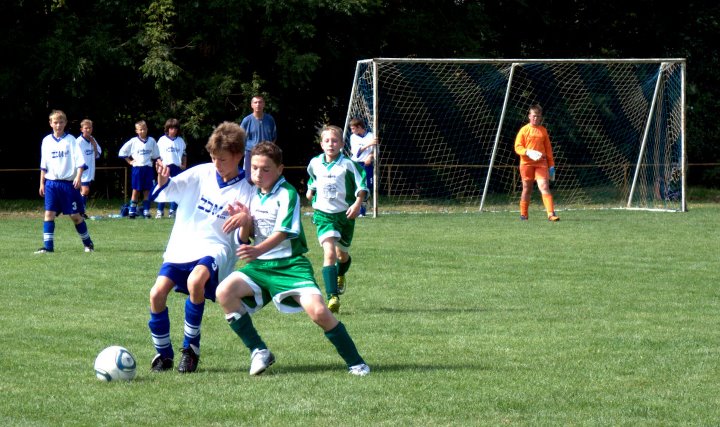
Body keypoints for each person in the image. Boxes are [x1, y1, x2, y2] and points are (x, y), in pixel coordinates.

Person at [215, 141, 370, 376]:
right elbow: (245, 240)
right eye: (254, 168)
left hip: (291, 266)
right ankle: (258, 350)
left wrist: (257, 250)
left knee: (319, 313)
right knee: (224, 292)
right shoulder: (252, 194)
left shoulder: (287, 193)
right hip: (260, 267)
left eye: (266, 169)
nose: (258, 174)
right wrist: (244, 221)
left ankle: (357, 362)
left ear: (279, 169)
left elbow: (284, 232)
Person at [146, 121, 255, 374]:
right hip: (183, 244)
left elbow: (242, 240)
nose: (217, 164)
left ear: (238, 156)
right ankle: (163, 354)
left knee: (197, 282)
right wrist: (163, 180)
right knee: (156, 294)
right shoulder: (201, 173)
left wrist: (245, 221)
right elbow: (169, 190)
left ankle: (190, 349)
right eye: (214, 158)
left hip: (215, 247)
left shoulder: (246, 189)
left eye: (223, 159)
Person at [306, 125, 368, 314]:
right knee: (330, 254)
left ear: (341, 144)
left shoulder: (348, 165)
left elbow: (362, 184)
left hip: (345, 216)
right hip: (324, 215)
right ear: (321, 144)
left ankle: (340, 273)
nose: (330, 144)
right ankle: (332, 297)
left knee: (342, 256)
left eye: (334, 141)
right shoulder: (314, 163)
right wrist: (311, 191)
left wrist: (357, 204)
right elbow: (313, 179)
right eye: (327, 141)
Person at [36, 110, 95, 254]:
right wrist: (41, 183)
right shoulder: (46, 141)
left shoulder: (71, 140)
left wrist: (78, 177)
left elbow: (80, 161)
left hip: (68, 184)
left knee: (75, 217)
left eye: (61, 122)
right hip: (51, 184)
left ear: (65, 123)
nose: (58, 125)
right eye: (55, 122)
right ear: (50, 123)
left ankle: (88, 244)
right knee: (48, 214)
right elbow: (44, 165)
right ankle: (48, 247)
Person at [514, 104, 559, 221]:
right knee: (527, 189)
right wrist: (527, 152)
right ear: (529, 116)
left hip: (541, 163)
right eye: (534, 116)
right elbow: (517, 147)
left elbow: (548, 149)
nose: (536, 118)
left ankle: (551, 214)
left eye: (538, 116)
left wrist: (551, 165)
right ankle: (524, 215)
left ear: (541, 117)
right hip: (526, 164)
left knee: (544, 186)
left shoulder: (543, 131)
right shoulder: (524, 130)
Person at [118, 120, 160, 218]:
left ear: (147, 129)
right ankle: (132, 211)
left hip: (148, 168)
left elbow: (156, 155)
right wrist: (129, 161)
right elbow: (122, 152)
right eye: (140, 130)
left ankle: (146, 211)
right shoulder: (133, 141)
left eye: (144, 129)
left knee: (147, 190)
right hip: (137, 169)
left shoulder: (152, 141)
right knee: (136, 190)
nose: (142, 131)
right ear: (136, 131)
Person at [155, 118, 187, 219]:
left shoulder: (181, 141)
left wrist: (184, 164)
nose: (173, 130)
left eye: (175, 128)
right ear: (167, 129)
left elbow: (184, 154)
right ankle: (160, 211)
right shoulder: (162, 140)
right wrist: (161, 165)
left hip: (176, 167)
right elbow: (156, 155)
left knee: (177, 189)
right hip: (166, 167)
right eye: (171, 128)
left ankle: (172, 211)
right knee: (163, 189)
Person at [239, 95, 277, 181]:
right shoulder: (247, 120)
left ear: (264, 104)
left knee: (266, 177)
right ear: (252, 105)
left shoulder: (270, 119)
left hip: (266, 152)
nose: (258, 104)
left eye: (260, 102)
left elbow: (274, 137)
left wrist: (270, 150)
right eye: (255, 102)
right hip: (250, 153)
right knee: (249, 178)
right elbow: (240, 137)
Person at [349, 118, 377, 217]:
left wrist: (370, 156)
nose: (352, 131)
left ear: (359, 127)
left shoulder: (371, 136)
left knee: (368, 186)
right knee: (358, 186)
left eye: (353, 129)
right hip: (357, 164)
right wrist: (368, 144)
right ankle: (360, 211)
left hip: (368, 165)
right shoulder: (353, 137)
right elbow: (357, 153)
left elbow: (375, 150)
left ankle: (364, 205)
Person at [76, 119, 102, 219]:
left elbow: (97, 155)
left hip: (90, 171)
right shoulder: (78, 142)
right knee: (85, 190)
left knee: (83, 191)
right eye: (86, 128)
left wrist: (94, 145)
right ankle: (81, 212)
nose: (88, 130)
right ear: (81, 129)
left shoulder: (92, 140)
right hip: (82, 171)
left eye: (90, 128)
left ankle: (80, 211)